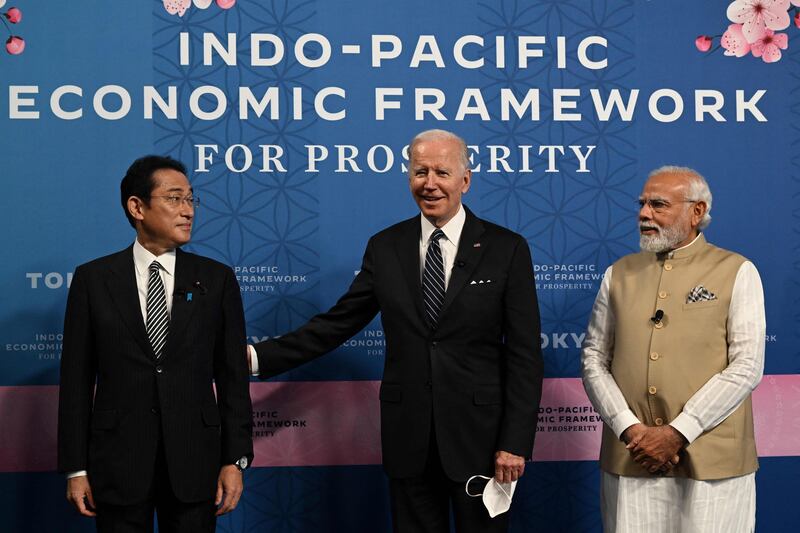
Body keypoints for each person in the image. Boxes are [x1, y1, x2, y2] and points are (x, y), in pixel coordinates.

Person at [248, 129, 543, 532]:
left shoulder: (506, 248)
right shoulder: (386, 247)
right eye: (420, 171)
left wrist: (515, 442)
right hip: (410, 442)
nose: (430, 183)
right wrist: (257, 356)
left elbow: (525, 354)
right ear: (408, 178)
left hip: (482, 441)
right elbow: (339, 323)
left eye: (442, 171)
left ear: (465, 180)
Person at [57, 155, 253, 533]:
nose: (188, 211)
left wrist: (235, 459)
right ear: (137, 207)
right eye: (175, 199)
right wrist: (76, 468)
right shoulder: (93, 280)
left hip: (196, 465)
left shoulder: (217, 279)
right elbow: (76, 381)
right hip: (117, 464)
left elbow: (232, 379)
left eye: (191, 200)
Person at [581, 166, 765, 532]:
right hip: (631, 457)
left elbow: (746, 366)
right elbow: (593, 358)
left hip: (714, 463)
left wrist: (678, 432)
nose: (644, 214)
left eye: (658, 205)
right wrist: (629, 429)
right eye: (643, 204)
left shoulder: (737, 270)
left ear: (696, 212)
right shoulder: (619, 273)